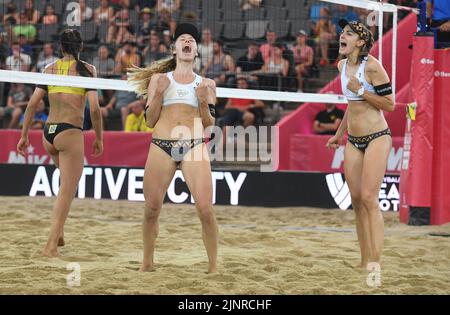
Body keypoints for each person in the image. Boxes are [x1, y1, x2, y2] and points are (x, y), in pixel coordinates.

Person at [128, 23, 219, 273]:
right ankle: (147, 263)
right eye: (183, 40)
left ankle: (212, 268)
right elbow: (149, 120)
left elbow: (210, 124)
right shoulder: (159, 80)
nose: (187, 42)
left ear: (196, 50)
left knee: (205, 208)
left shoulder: (207, 84)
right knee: (151, 209)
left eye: (191, 40)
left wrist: (202, 102)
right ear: (174, 49)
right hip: (161, 145)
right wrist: (158, 95)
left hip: (194, 145)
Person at [16, 29, 103, 257]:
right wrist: (99, 138)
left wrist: (24, 136)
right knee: (67, 191)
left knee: (66, 186)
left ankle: (60, 233)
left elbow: (32, 105)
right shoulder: (87, 70)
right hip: (69, 133)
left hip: (48, 134)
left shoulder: (49, 69)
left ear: (61, 47)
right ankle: (50, 246)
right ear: (81, 46)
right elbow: (94, 109)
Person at [326, 20, 395, 272]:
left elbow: (390, 104)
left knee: (369, 198)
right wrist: (338, 134)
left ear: (361, 42)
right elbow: (351, 107)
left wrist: (362, 90)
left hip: (377, 135)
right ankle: (364, 260)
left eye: (348, 33)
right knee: (356, 200)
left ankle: (375, 263)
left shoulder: (373, 67)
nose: (341, 36)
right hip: (354, 140)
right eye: (342, 33)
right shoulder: (342, 65)